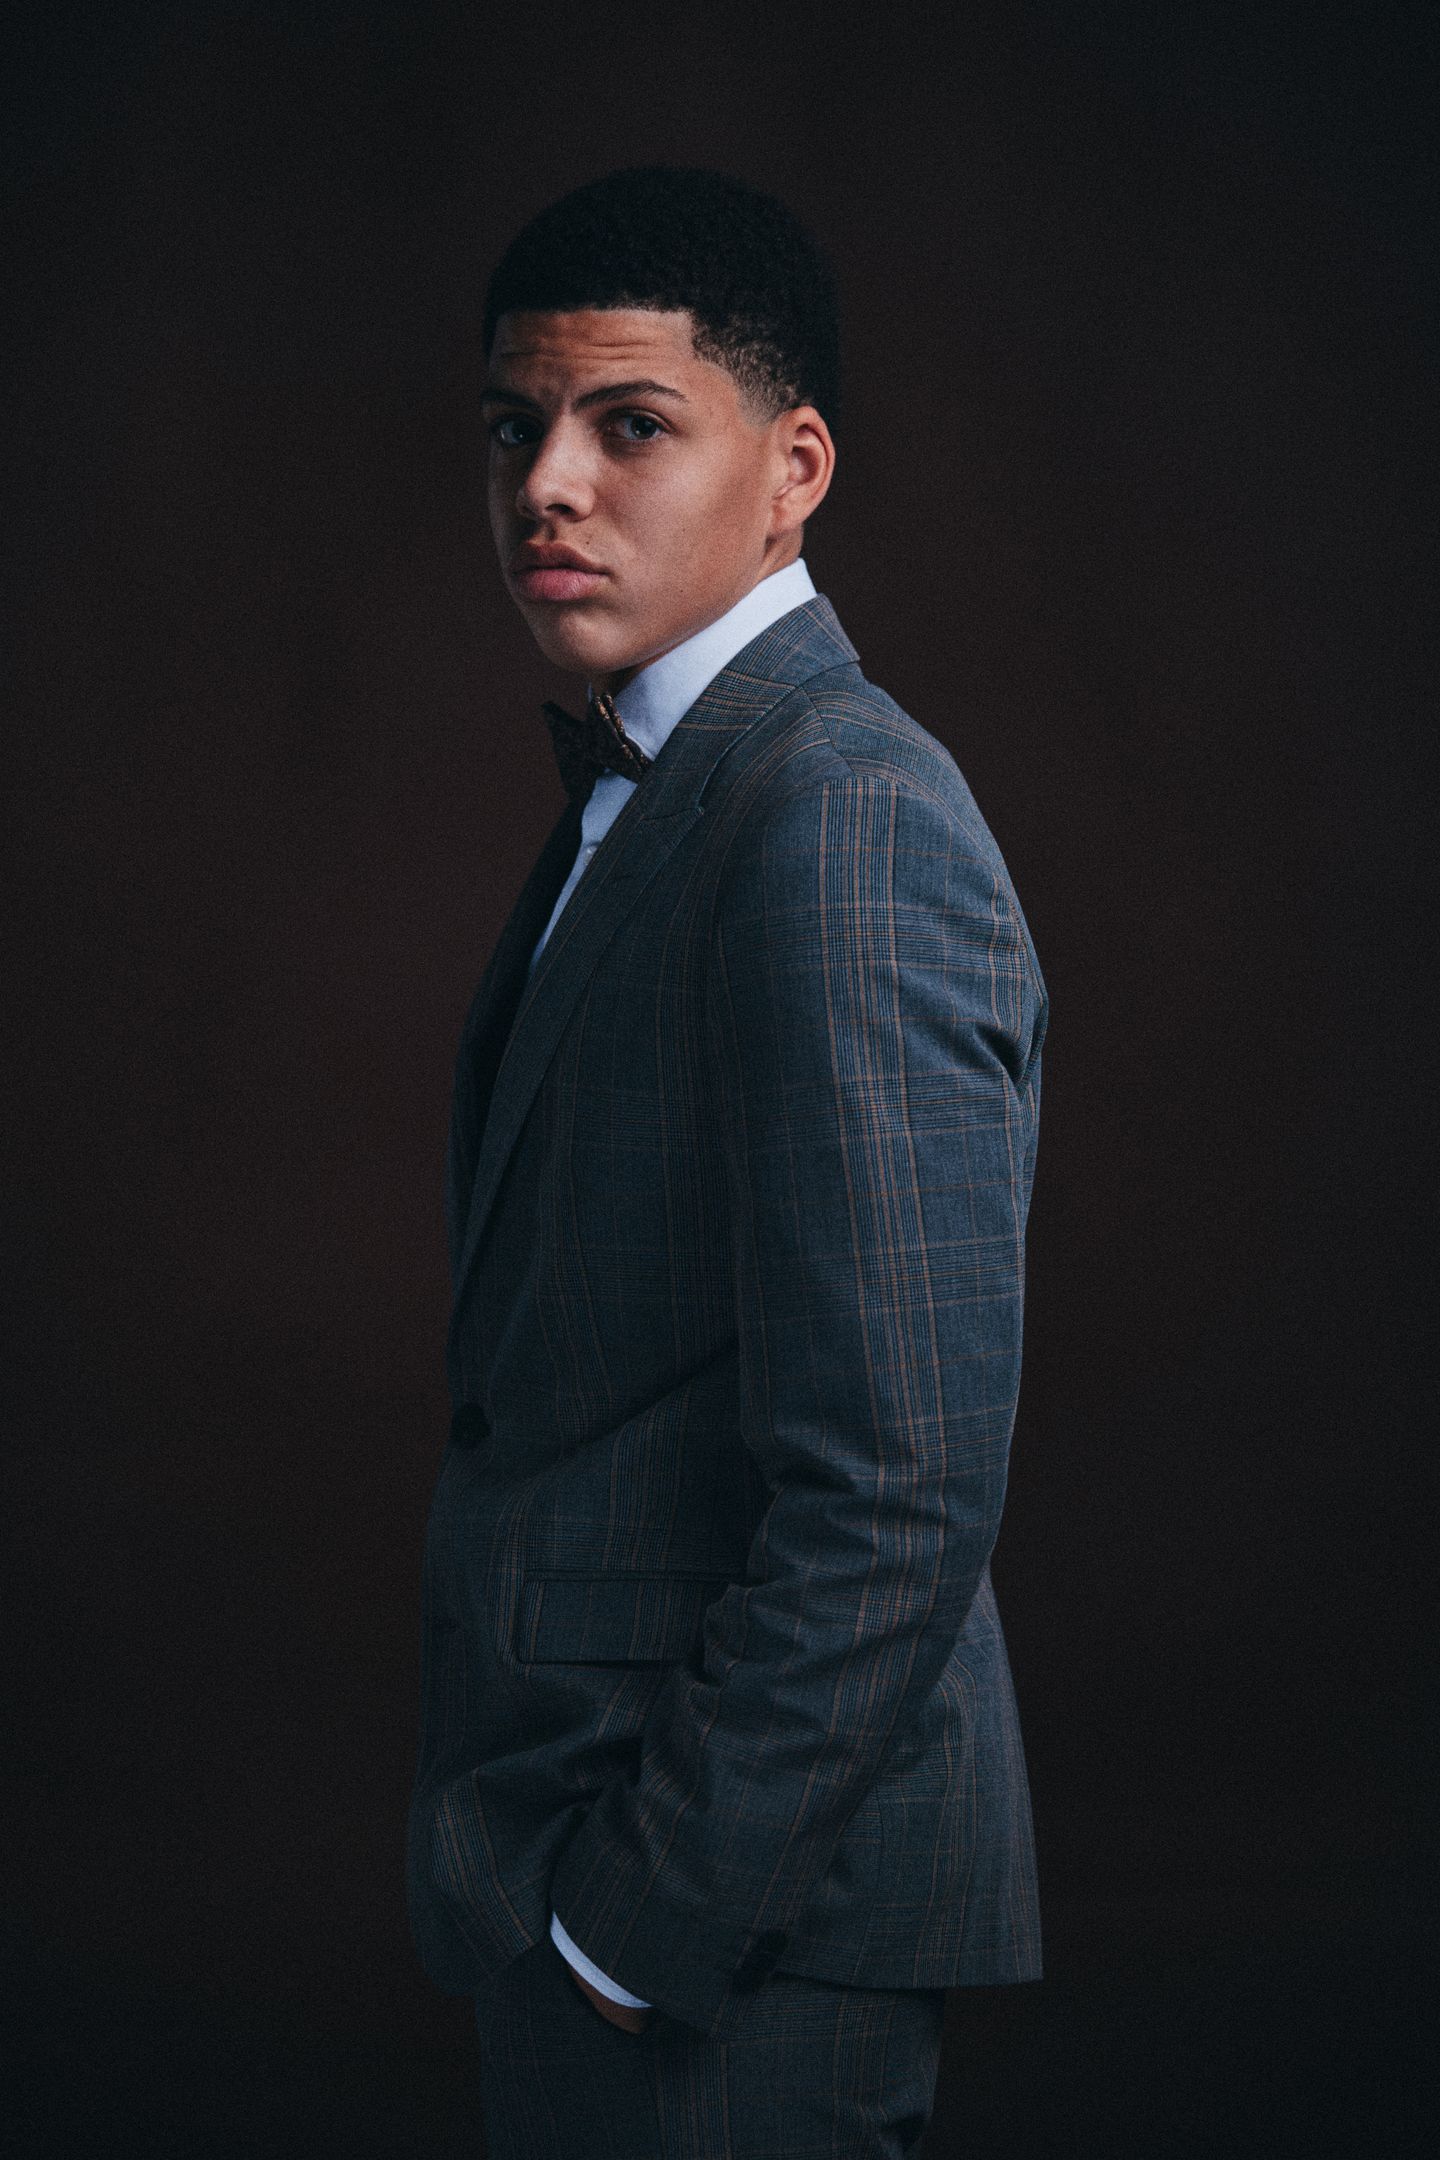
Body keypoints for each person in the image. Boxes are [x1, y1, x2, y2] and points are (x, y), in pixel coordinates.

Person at [406, 164, 1047, 2158]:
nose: (547, 486)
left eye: (630, 425)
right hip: (584, 1852)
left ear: (794, 471)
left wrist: (639, 1921)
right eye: (513, 427)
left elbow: (898, 1481)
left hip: (734, 1924)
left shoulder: (839, 812)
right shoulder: (674, 781)